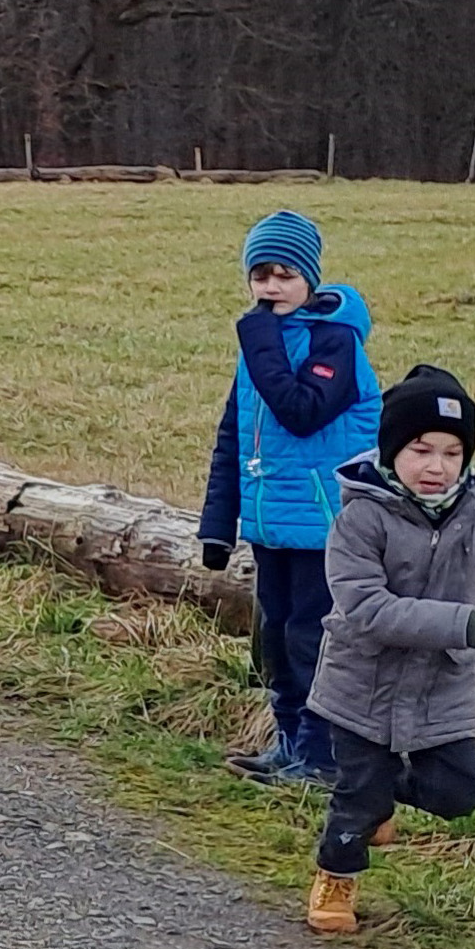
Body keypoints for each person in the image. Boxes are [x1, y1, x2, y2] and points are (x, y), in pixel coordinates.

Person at [303, 366, 475, 934]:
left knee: (459, 793)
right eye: (421, 449)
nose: (436, 466)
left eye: (452, 453)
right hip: (361, 686)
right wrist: (464, 625)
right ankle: (337, 878)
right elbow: (368, 609)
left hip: (443, 688)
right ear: (392, 450)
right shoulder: (361, 517)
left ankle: (384, 798)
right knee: (356, 795)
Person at [197, 211, 382, 787]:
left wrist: (260, 341)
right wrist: (217, 525)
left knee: (314, 639)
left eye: (284, 275)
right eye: (260, 276)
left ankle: (323, 758)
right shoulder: (262, 345)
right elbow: (234, 434)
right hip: (271, 523)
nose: (270, 288)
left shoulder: (336, 343)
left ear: (310, 278)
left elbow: (300, 412)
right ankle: (288, 745)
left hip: (327, 527)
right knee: (275, 637)